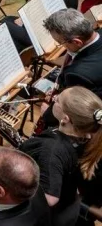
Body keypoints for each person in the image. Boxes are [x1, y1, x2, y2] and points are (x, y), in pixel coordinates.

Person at [19, 86, 102, 226]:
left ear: (65, 119)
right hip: (69, 204)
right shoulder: (92, 138)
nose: (55, 98)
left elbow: (49, 199)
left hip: (51, 217)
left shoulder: (51, 150)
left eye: (58, 101)